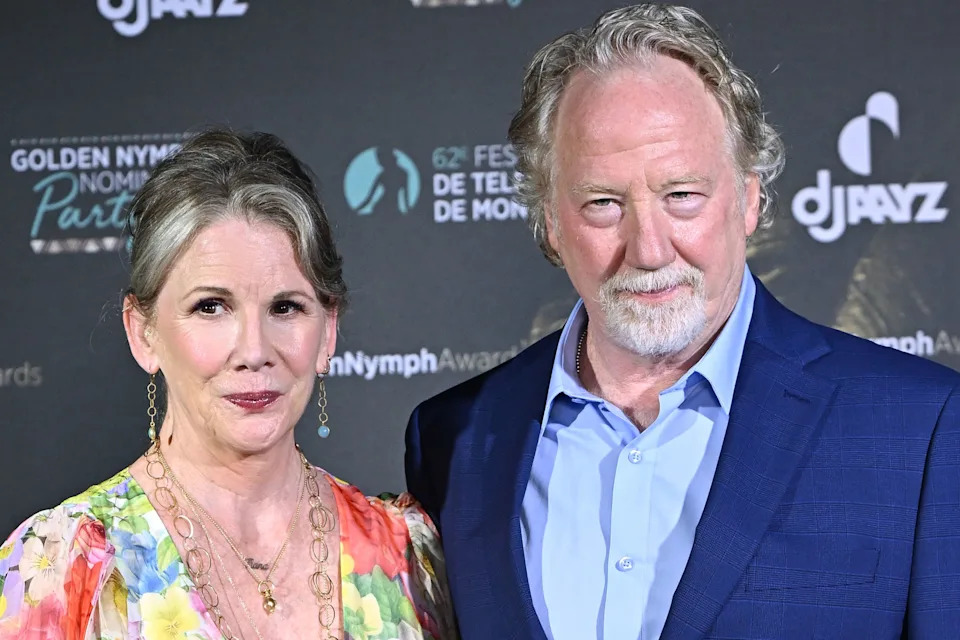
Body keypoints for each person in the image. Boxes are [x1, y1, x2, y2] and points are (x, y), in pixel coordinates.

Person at [404, 4, 960, 639]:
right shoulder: (455, 440)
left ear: (750, 197)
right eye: (603, 203)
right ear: (551, 224)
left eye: (682, 196)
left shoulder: (916, 431)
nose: (649, 249)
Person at [0, 130, 457, 640]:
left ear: (328, 331)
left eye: (286, 308)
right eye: (210, 307)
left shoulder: (404, 553)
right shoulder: (63, 564)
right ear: (143, 333)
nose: (254, 350)